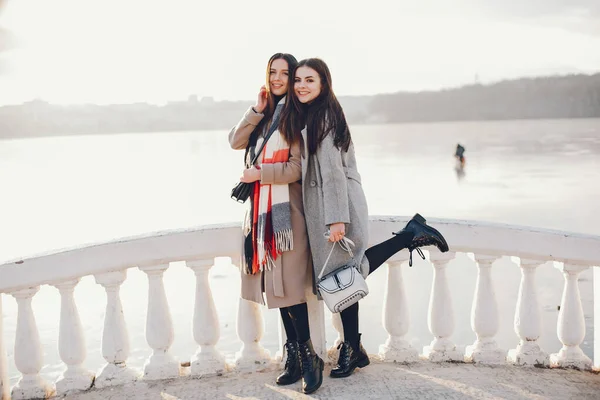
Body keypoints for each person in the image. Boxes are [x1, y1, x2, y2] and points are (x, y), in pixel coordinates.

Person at [280, 58, 449, 379]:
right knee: (345, 274)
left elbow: (331, 173)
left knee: (344, 274)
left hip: (337, 204)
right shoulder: (313, 114)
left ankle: (352, 348)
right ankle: (354, 348)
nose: (301, 85)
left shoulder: (324, 116)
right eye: (298, 80)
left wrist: (337, 220)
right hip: (328, 205)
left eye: (309, 80)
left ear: (323, 85)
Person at [228, 53, 323, 394]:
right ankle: (294, 358)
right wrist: (256, 109)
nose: (280, 78)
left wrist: (259, 174)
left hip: (286, 215)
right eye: (274, 72)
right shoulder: (265, 115)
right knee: (276, 288)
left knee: (291, 290)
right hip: (262, 214)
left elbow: (297, 168)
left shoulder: (297, 118)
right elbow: (235, 141)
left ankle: (309, 356)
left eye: (286, 73)